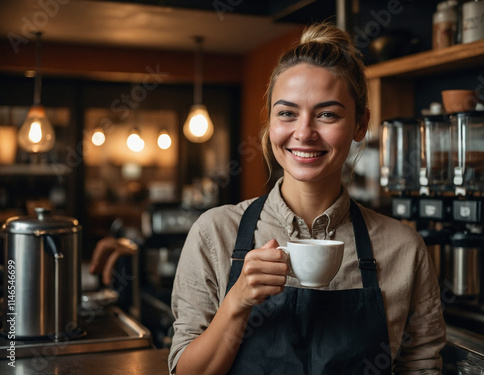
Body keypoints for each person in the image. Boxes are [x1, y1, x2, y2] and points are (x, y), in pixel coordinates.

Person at [91, 22, 446, 374]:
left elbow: (421, 367)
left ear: (359, 124)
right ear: (271, 123)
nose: (304, 133)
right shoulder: (215, 233)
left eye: (327, 114)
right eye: (287, 113)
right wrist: (237, 302)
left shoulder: (403, 248)